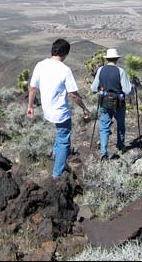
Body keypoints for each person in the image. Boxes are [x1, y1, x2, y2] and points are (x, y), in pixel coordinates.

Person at [27, 38, 90, 179]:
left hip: (47, 110)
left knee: (60, 134)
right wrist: (84, 108)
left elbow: (32, 89)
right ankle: (57, 174)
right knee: (64, 140)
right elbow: (73, 95)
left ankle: (56, 155)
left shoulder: (40, 65)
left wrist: (30, 106)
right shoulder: (65, 70)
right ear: (65, 54)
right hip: (61, 112)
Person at [91, 48, 133, 160]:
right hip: (119, 102)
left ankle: (104, 153)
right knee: (120, 125)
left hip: (104, 102)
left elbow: (93, 88)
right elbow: (127, 90)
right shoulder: (120, 71)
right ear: (116, 59)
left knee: (104, 127)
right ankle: (120, 146)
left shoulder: (100, 70)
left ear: (107, 58)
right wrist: (133, 87)